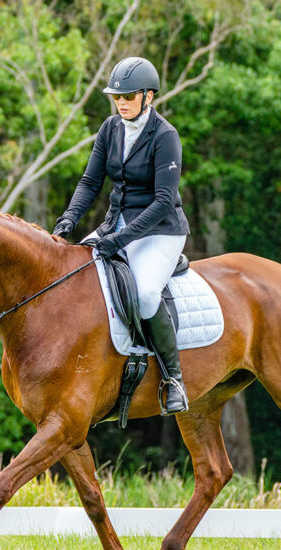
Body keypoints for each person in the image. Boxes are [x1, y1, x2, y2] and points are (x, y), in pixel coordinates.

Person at [53, 56, 190, 414]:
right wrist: (69, 219)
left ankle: (173, 378)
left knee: (145, 294)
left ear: (148, 96)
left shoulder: (165, 136)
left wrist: (119, 239)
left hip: (160, 231)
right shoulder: (110, 129)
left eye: (128, 96)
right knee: (71, 278)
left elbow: (162, 202)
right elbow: (90, 181)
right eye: (117, 97)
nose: (121, 102)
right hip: (116, 224)